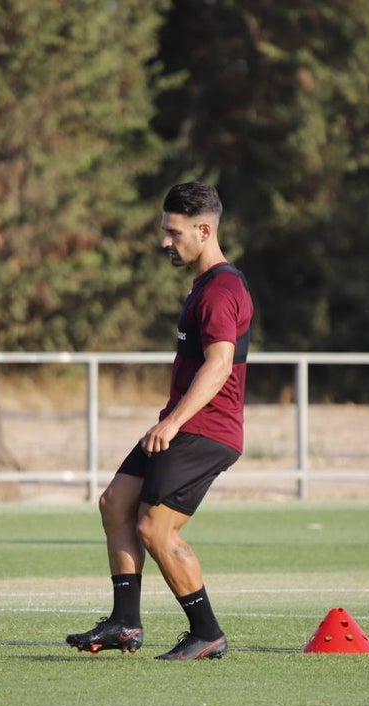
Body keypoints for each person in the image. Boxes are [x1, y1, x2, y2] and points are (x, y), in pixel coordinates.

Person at [65, 181, 253, 661]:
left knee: (155, 528)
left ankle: (207, 632)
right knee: (115, 503)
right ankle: (124, 623)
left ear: (204, 230)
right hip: (183, 423)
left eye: (174, 232)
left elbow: (219, 365)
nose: (164, 241)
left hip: (206, 429)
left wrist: (172, 423)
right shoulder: (203, 286)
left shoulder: (222, 289)